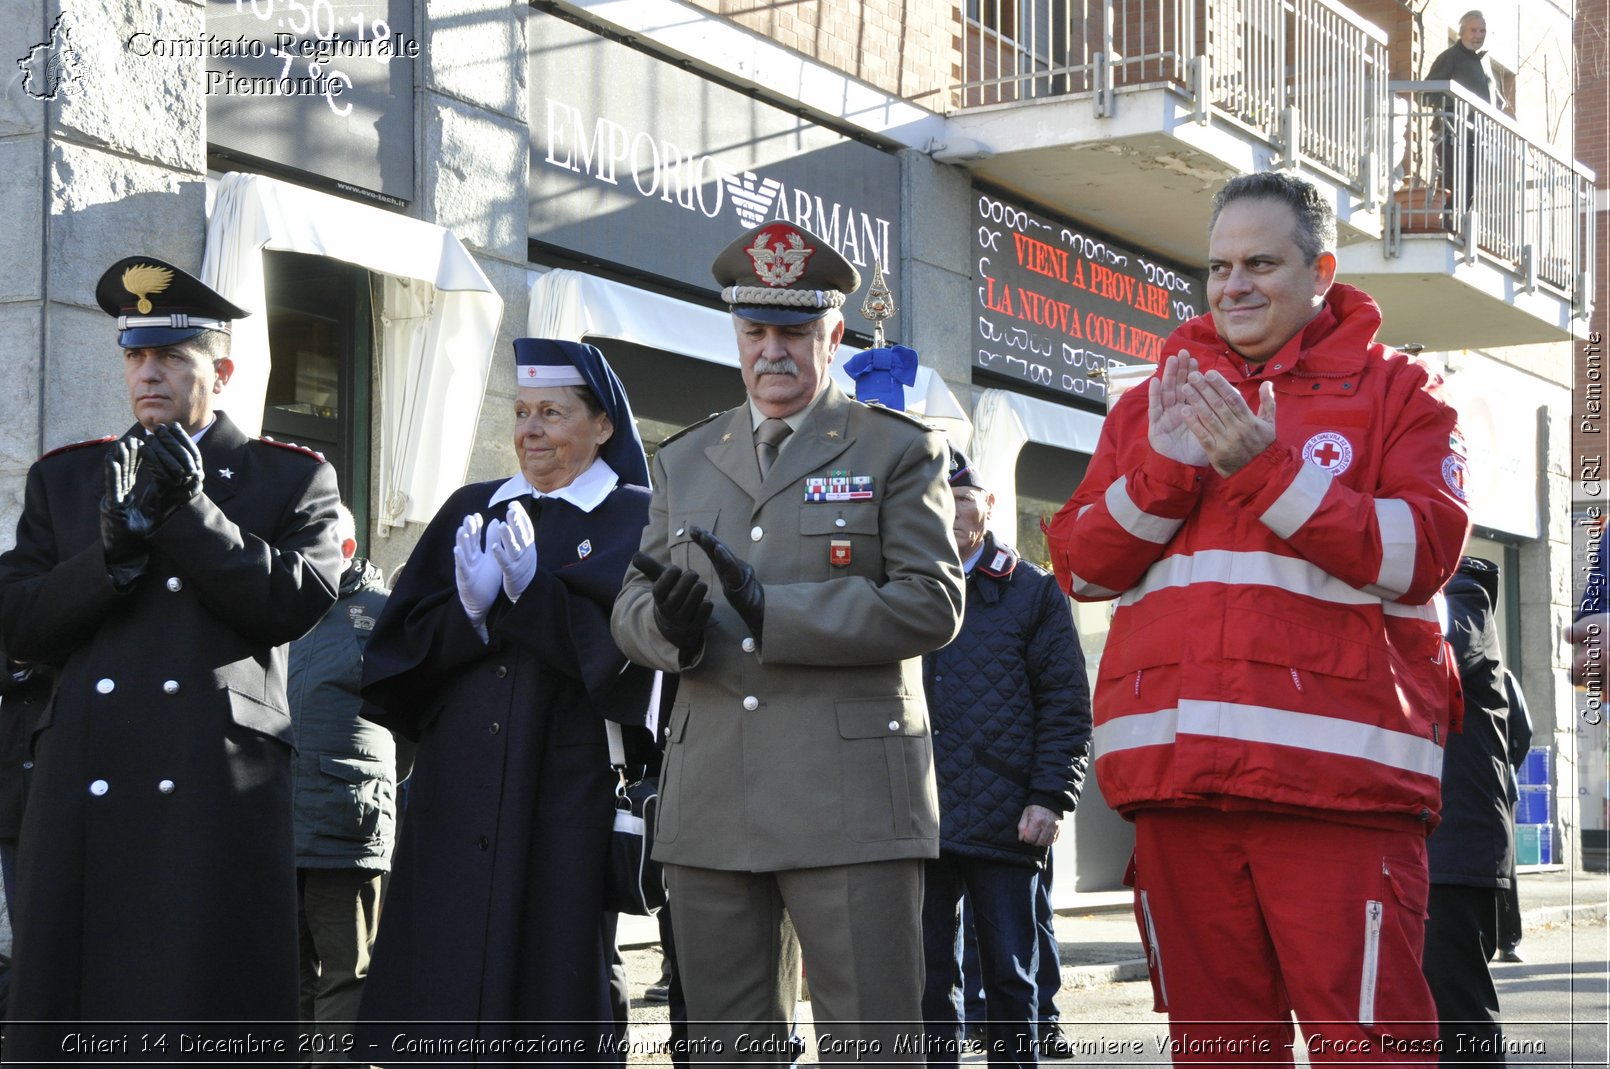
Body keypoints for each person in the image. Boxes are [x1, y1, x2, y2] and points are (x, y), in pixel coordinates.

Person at [1046, 172, 1470, 1063]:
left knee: (1372, 1050)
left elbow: (1420, 551)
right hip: (1177, 797)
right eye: (1218, 266)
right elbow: (1081, 563)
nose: (1233, 284)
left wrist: (1264, 469)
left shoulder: (1403, 395)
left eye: (1260, 263)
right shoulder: (1151, 403)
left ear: (1321, 271)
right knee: (1219, 1054)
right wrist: (1165, 471)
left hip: (1340, 798)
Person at [611, 220, 965, 1063]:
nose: (773, 352)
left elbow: (933, 602)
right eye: (755, 332)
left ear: (834, 336)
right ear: (735, 335)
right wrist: (670, 628)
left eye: (795, 333)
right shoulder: (689, 458)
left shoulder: (898, 449)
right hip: (714, 798)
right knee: (729, 1046)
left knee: (871, 1042)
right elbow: (630, 599)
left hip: (848, 797)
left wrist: (775, 611)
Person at [0, 256, 343, 1053]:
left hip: (209, 782)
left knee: (199, 996)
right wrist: (107, 561)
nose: (148, 374)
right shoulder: (70, 475)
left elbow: (291, 599)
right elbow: (19, 621)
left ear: (219, 371)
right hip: (88, 773)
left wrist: (190, 514)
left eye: (170, 359)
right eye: (135, 357)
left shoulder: (289, 477)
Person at [357, 338, 656, 1059]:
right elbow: (395, 663)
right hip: (456, 797)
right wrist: (469, 614)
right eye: (522, 412)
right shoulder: (471, 507)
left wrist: (529, 597)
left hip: (564, 798)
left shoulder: (635, 518)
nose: (529, 430)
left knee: (555, 983)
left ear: (603, 425)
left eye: (552, 412)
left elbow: (633, 661)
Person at [919, 449, 1091, 1069]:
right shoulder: (909, 584)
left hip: (1006, 814)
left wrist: (1049, 797)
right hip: (921, 815)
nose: (956, 513)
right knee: (928, 978)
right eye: (944, 501)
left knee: (1010, 978)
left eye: (966, 500)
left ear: (989, 507)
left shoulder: (1033, 593)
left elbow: (1067, 707)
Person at [287, 503, 404, 1064]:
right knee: (287, 973)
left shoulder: (385, 615)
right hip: (273, 817)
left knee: (345, 970)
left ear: (350, 550)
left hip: (346, 819)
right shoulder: (274, 604)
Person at [1424, 556, 1514, 1064]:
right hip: (1425, 842)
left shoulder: (1464, 595)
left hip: (1456, 848)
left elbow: (1438, 650)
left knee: (1458, 1012)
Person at [1426, 11, 1497, 208]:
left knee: (1470, 190)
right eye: (1473, 30)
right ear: (1462, 32)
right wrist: (1452, 104)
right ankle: (1447, 225)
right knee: (1451, 185)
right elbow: (1427, 92)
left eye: (1482, 31)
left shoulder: (1483, 61)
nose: (1479, 35)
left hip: (1477, 137)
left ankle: (1462, 230)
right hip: (1452, 134)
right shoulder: (1451, 57)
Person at [1495, 668, 1531, 963]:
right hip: (1491, 783)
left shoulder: (1504, 678)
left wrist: (1507, 769)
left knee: (1504, 864)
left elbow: (1524, 732)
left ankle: (1508, 940)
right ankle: (1506, 941)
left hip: (1497, 785)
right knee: (1503, 862)